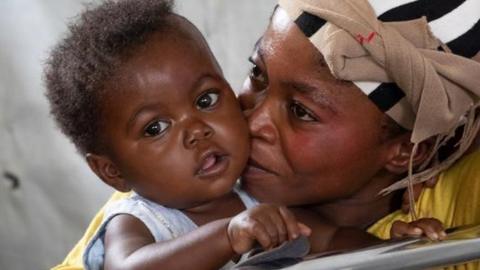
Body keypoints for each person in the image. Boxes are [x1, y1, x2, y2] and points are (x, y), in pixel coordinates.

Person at [51, 0, 480, 269]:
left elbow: (327, 241)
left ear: (409, 150)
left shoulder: (461, 205)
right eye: (257, 74)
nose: (249, 123)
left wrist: (394, 251)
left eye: (300, 111)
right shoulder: (154, 205)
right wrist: (228, 235)